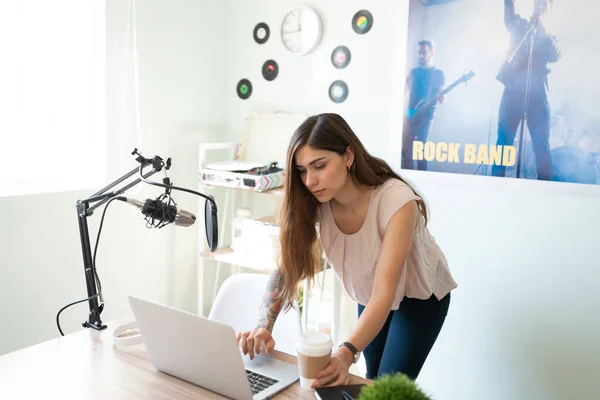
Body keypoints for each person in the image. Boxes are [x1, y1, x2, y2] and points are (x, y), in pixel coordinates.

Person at [236, 113, 457, 387]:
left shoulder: (396, 200)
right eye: (302, 170)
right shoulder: (315, 202)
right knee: (372, 378)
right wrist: (263, 326)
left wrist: (347, 351)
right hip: (371, 292)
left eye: (319, 166)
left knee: (386, 388)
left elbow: (385, 293)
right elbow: (286, 267)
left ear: (348, 156)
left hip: (420, 297)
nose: (309, 181)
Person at [492, 0, 561, 180]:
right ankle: (495, 184)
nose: (539, 7)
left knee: (541, 145)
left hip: (537, 95)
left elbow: (554, 55)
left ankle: (545, 190)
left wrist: (543, 27)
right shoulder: (520, 26)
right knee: (503, 142)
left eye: (544, 5)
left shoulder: (549, 36)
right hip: (513, 91)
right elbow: (508, 16)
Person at [402, 40, 446, 171]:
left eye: (424, 52)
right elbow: (402, 91)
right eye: (419, 52)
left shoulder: (438, 73)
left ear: (432, 53)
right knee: (406, 151)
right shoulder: (414, 72)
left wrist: (442, 96)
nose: (421, 55)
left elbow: (442, 95)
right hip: (410, 114)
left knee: (421, 150)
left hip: (426, 116)